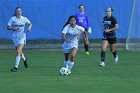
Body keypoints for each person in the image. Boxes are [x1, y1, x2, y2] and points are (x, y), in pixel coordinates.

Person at [7, 7, 32, 72]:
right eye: (17, 11)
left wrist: (29, 27)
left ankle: (16, 67)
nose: (19, 12)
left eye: (20, 11)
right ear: (15, 12)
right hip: (15, 37)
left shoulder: (24, 18)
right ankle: (24, 59)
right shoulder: (13, 19)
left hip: (22, 37)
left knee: (18, 51)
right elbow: (8, 27)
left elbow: (30, 23)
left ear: (21, 12)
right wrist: (13, 28)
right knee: (19, 52)